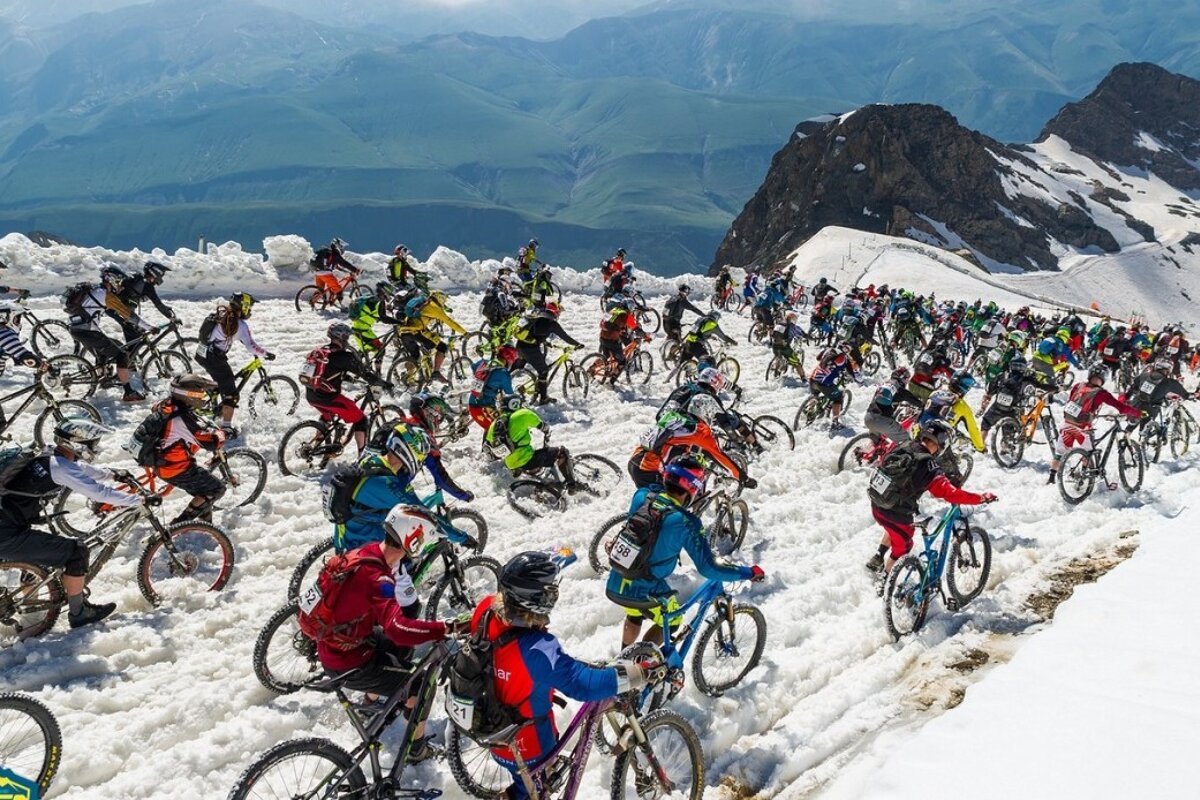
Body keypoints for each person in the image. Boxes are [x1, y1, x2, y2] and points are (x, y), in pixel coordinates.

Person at [473, 551, 666, 799]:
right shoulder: (538, 649)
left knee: (523, 786)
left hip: (492, 728)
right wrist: (641, 672)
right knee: (534, 787)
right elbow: (584, 686)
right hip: (530, 746)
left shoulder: (485, 610)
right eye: (550, 591)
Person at [312, 504, 461, 761]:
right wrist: (445, 628)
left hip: (337, 645)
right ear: (411, 541)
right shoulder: (379, 579)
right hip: (350, 662)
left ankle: (372, 703)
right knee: (422, 685)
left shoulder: (365, 553)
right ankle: (417, 749)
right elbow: (400, 629)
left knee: (400, 648)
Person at [0, 419, 155, 628]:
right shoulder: (59, 466)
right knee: (76, 552)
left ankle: (34, 610)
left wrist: (112, 473)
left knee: (40, 562)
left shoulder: (48, 454)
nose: (95, 447)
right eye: (92, 443)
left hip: (8, 522)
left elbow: (80, 469)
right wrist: (139, 500)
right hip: (7, 533)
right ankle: (79, 613)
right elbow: (97, 492)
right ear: (77, 443)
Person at [606, 455, 764, 648]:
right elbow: (709, 569)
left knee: (634, 613)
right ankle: (639, 665)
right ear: (692, 488)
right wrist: (747, 572)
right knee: (673, 620)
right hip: (647, 590)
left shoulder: (641, 496)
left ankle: (624, 656)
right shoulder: (685, 522)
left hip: (617, 581)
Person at [864, 420, 996, 577]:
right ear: (942, 443)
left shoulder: (902, 445)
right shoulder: (928, 464)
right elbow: (950, 494)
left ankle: (879, 555)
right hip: (896, 514)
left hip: (877, 503)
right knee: (904, 545)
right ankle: (885, 578)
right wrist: (980, 498)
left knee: (892, 529)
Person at [336, 423, 471, 552]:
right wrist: (462, 537)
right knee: (405, 561)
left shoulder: (372, 460)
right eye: (421, 456)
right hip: (366, 538)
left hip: (347, 529)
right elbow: (428, 517)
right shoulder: (392, 484)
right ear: (411, 453)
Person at [301, 322, 392, 457]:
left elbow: (329, 372)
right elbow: (366, 374)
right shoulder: (345, 356)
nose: (347, 341)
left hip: (311, 395)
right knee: (361, 420)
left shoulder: (321, 351)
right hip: (329, 399)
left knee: (327, 416)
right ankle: (363, 456)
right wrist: (384, 383)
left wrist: (347, 377)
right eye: (346, 338)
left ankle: (317, 444)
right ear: (342, 338)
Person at [147, 374, 228, 523]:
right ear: (190, 396)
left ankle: (206, 523)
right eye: (200, 394)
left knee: (204, 486)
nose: (203, 397)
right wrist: (224, 433)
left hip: (160, 461)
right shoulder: (181, 420)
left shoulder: (165, 405)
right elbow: (212, 443)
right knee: (216, 489)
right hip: (175, 469)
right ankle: (179, 524)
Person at [65, 274, 153, 401]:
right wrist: (149, 327)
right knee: (122, 356)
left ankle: (100, 377)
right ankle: (129, 392)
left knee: (103, 353)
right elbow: (127, 314)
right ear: (112, 280)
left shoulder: (94, 290)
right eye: (118, 281)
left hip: (76, 328)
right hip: (88, 331)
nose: (120, 285)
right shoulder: (106, 295)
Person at [1048, 365, 1142, 485]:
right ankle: (1083, 475)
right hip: (1082, 428)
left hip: (1067, 423)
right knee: (1088, 452)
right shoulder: (1101, 393)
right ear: (1103, 378)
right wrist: (1138, 412)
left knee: (1059, 453)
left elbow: (1071, 400)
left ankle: (1051, 478)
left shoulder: (1078, 386)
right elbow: (1121, 407)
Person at [628, 399, 752, 488]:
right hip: (650, 470)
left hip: (636, 460)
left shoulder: (674, 417)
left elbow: (672, 442)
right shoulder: (700, 430)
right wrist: (742, 477)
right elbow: (719, 456)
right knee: (674, 509)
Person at [196, 293, 275, 431]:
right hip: (214, 358)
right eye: (249, 307)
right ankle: (226, 428)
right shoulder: (240, 325)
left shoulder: (222, 315)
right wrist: (266, 354)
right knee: (231, 395)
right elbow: (252, 347)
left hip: (202, 352)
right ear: (243, 307)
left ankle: (217, 401)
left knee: (224, 381)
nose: (250, 311)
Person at [485, 396, 580, 490]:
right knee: (561, 452)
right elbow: (543, 426)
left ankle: (552, 484)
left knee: (540, 455)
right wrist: (545, 433)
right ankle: (572, 486)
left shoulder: (494, 425)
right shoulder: (521, 414)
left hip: (511, 464)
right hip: (527, 459)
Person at [513, 304, 583, 404]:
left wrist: (545, 342)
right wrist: (578, 344)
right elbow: (565, 337)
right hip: (530, 349)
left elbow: (534, 333)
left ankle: (505, 384)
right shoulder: (552, 323)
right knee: (543, 371)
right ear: (556, 313)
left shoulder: (536, 316)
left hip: (520, 345)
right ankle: (543, 398)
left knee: (520, 365)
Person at [393, 290, 466, 385]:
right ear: (440, 299)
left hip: (404, 332)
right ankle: (436, 372)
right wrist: (464, 332)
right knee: (442, 347)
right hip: (415, 332)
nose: (444, 303)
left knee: (416, 356)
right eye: (444, 300)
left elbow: (420, 324)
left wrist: (431, 335)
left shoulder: (424, 304)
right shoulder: (434, 308)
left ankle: (408, 377)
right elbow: (449, 321)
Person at [108, 261, 177, 343]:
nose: (161, 278)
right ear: (156, 273)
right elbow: (158, 303)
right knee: (134, 341)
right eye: (161, 275)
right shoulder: (148, 286)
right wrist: (170, 316)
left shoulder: (137, 277)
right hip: (125, 313)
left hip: (114, 308)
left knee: (138, 336)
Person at [348, 282, 404, 371]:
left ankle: (356, 367)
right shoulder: (379, 302)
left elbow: (373, 314)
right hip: (363, 331)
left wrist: (386, 309)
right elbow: (383, 318)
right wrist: (399, 322)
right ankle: (377, 373)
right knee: (381, 350)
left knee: (364, 349)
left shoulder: (372, 298)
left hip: (358, 328)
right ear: (385, 292)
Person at [1125, 359, 1193, 428]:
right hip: (1151, 409)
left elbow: (1133, 387)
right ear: (1168, 370)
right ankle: (1143, 436)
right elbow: (1184, 394)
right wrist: (1192, 396)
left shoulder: (1144, 375)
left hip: (1136, 404)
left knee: (1133, 422)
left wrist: (1126, 397)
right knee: (1145, 427)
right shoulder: (1169, 382)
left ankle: (1127, 434)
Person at [863, 366, 921, 444]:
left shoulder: (883, 386)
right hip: (881, 421)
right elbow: (915, 401)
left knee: (879, 444)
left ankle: (862, 453)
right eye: (906, 379)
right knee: (906, 440)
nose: (906, 382)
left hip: (868, 417)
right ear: (902, 378)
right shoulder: (899, 390)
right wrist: (924, 405)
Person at [809, 342, 859, 431]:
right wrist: (855, 378)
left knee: (816, 396)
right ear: (845, 349)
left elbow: (818, 358)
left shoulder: (828, 349)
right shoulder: (843, 358)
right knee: (838, 398)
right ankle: (835, 423)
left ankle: (809, 409)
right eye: (848, 349)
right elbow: (850, 370)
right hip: (823, 383)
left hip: (813, 378)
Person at [597, 298, 648, 381]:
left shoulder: (614, 310)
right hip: (612, 340)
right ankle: (611, 382)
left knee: (605, 357)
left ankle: (591, 369)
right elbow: (636, 329)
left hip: (602, 337)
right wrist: (646, 337)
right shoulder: (626, 316)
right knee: (622, 362)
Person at [468, 345, 517, 430]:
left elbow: (473, 366)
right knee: (497, 430)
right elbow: (510, 394)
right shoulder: (503, 373)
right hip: (482, 409)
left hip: (473, 402)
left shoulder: (484, 362)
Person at [0, 301, 45, 375]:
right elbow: (25, 357)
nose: (19, 323)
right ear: (4, 317)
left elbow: (6, 354)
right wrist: (45, 366)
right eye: (17, 319)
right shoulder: (4, 334)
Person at [311, 238, 360, 304]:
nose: (342, 249)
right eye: (342, 247)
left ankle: (313, 301)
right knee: (338, 289)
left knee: (321, 290)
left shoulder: (329, 253)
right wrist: (355, 269)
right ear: (338, 246)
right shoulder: (335, 254)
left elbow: (337, 266)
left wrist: (346, 272)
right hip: (325, 274)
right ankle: (342, 306)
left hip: (317, 273)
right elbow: (344, 263)